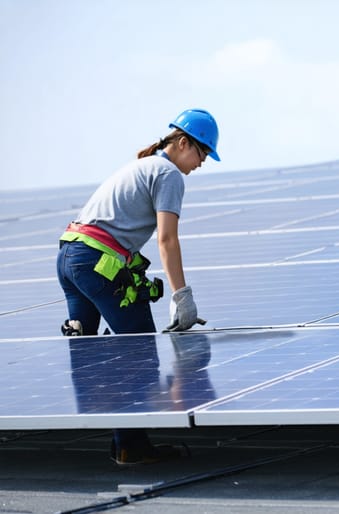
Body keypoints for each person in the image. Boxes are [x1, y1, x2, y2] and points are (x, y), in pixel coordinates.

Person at [56, 108, 220, 465]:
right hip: (98, 264)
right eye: (202, 152)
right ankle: (131, 446)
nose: (202, 163)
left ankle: (122, 441)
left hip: (70, 257)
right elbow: (167, 239)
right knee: (137, 352)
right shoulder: (169, 174)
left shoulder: (140, 166)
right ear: (181, 143)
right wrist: (181, 297)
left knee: (91, 352)